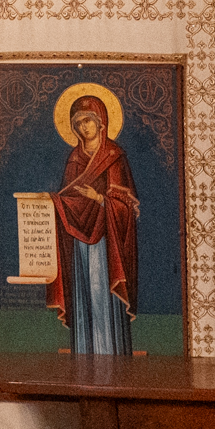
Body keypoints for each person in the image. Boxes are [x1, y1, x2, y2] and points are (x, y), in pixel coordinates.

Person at [47, 92, 139, 355]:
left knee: (101, 292)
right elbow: (67, 199)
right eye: (78, 123)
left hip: (106, 241)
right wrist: (53, 201)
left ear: (101, 122)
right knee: (84, 292)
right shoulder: (74, 159)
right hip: (79, 238)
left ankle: (110, 350)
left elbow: (125, 205)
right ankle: (85, 352)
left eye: (88, 120)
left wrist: (99, 198)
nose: (83, 127)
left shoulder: (114, 156)